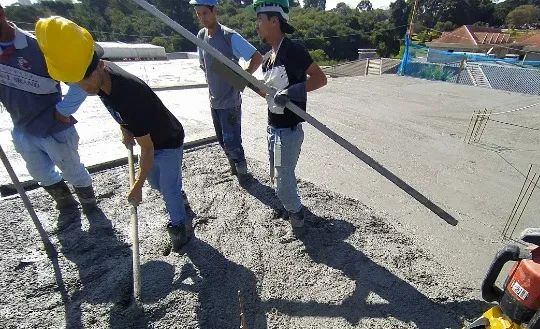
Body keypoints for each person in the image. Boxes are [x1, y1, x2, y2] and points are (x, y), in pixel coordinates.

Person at [35, 16, 191, 251]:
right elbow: (116, 110)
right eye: (75, 83)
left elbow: (147, 149)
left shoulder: (129, 96)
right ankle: (180, 198)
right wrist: (124, 128)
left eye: (84, 81)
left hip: (167, 140)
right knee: (158, 184)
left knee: (166, 190)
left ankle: (180, 228)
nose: (83, 88)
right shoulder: (100, 82)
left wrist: (136, 187)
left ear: (99, 66)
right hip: (147, 137)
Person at [0, 4, 96, 222]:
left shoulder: (39, 47)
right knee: (40, 173)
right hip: (22, 127)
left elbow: (80, 81)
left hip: (54, 126)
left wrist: (64, 111)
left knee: (73, 170)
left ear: (1, 14)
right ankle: (65, 203)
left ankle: (90, 205)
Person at [254, 0, 327, 228]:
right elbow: (269, 95)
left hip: (289, 131)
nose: (257, 25)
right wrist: (247, 83)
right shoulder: (268, 58)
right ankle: (292, 207)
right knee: (278, 177)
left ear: (275, 20)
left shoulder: (293, 51)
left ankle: (298, 219)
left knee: (282, 182)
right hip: (272, 128)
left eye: (260, 19)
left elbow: (320, 78)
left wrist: (293, 91)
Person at [191, 0, 263, 180]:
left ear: (214, 11)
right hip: (214, 100)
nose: (202, 18)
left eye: (205, 13)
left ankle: (244, 173)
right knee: (222, 141)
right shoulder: (201, 35)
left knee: (232, 141)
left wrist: (241, 77)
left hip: (230, 101)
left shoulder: (228, 36)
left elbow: (256, 57)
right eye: (198, 14)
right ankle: (234, 168)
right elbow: (203, 64)